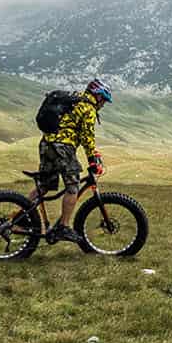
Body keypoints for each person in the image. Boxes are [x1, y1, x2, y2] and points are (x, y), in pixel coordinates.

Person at [41, 78, 110, 244]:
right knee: (73, 186)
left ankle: (20, 217)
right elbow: (87, 137)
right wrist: (93, 159)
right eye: (104, 100)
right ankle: (63, 227)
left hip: (47, 144)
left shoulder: (75, 99)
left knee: (43, 186)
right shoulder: (88, 108)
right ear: (98, 96)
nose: (103, 105)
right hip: (62, 147)